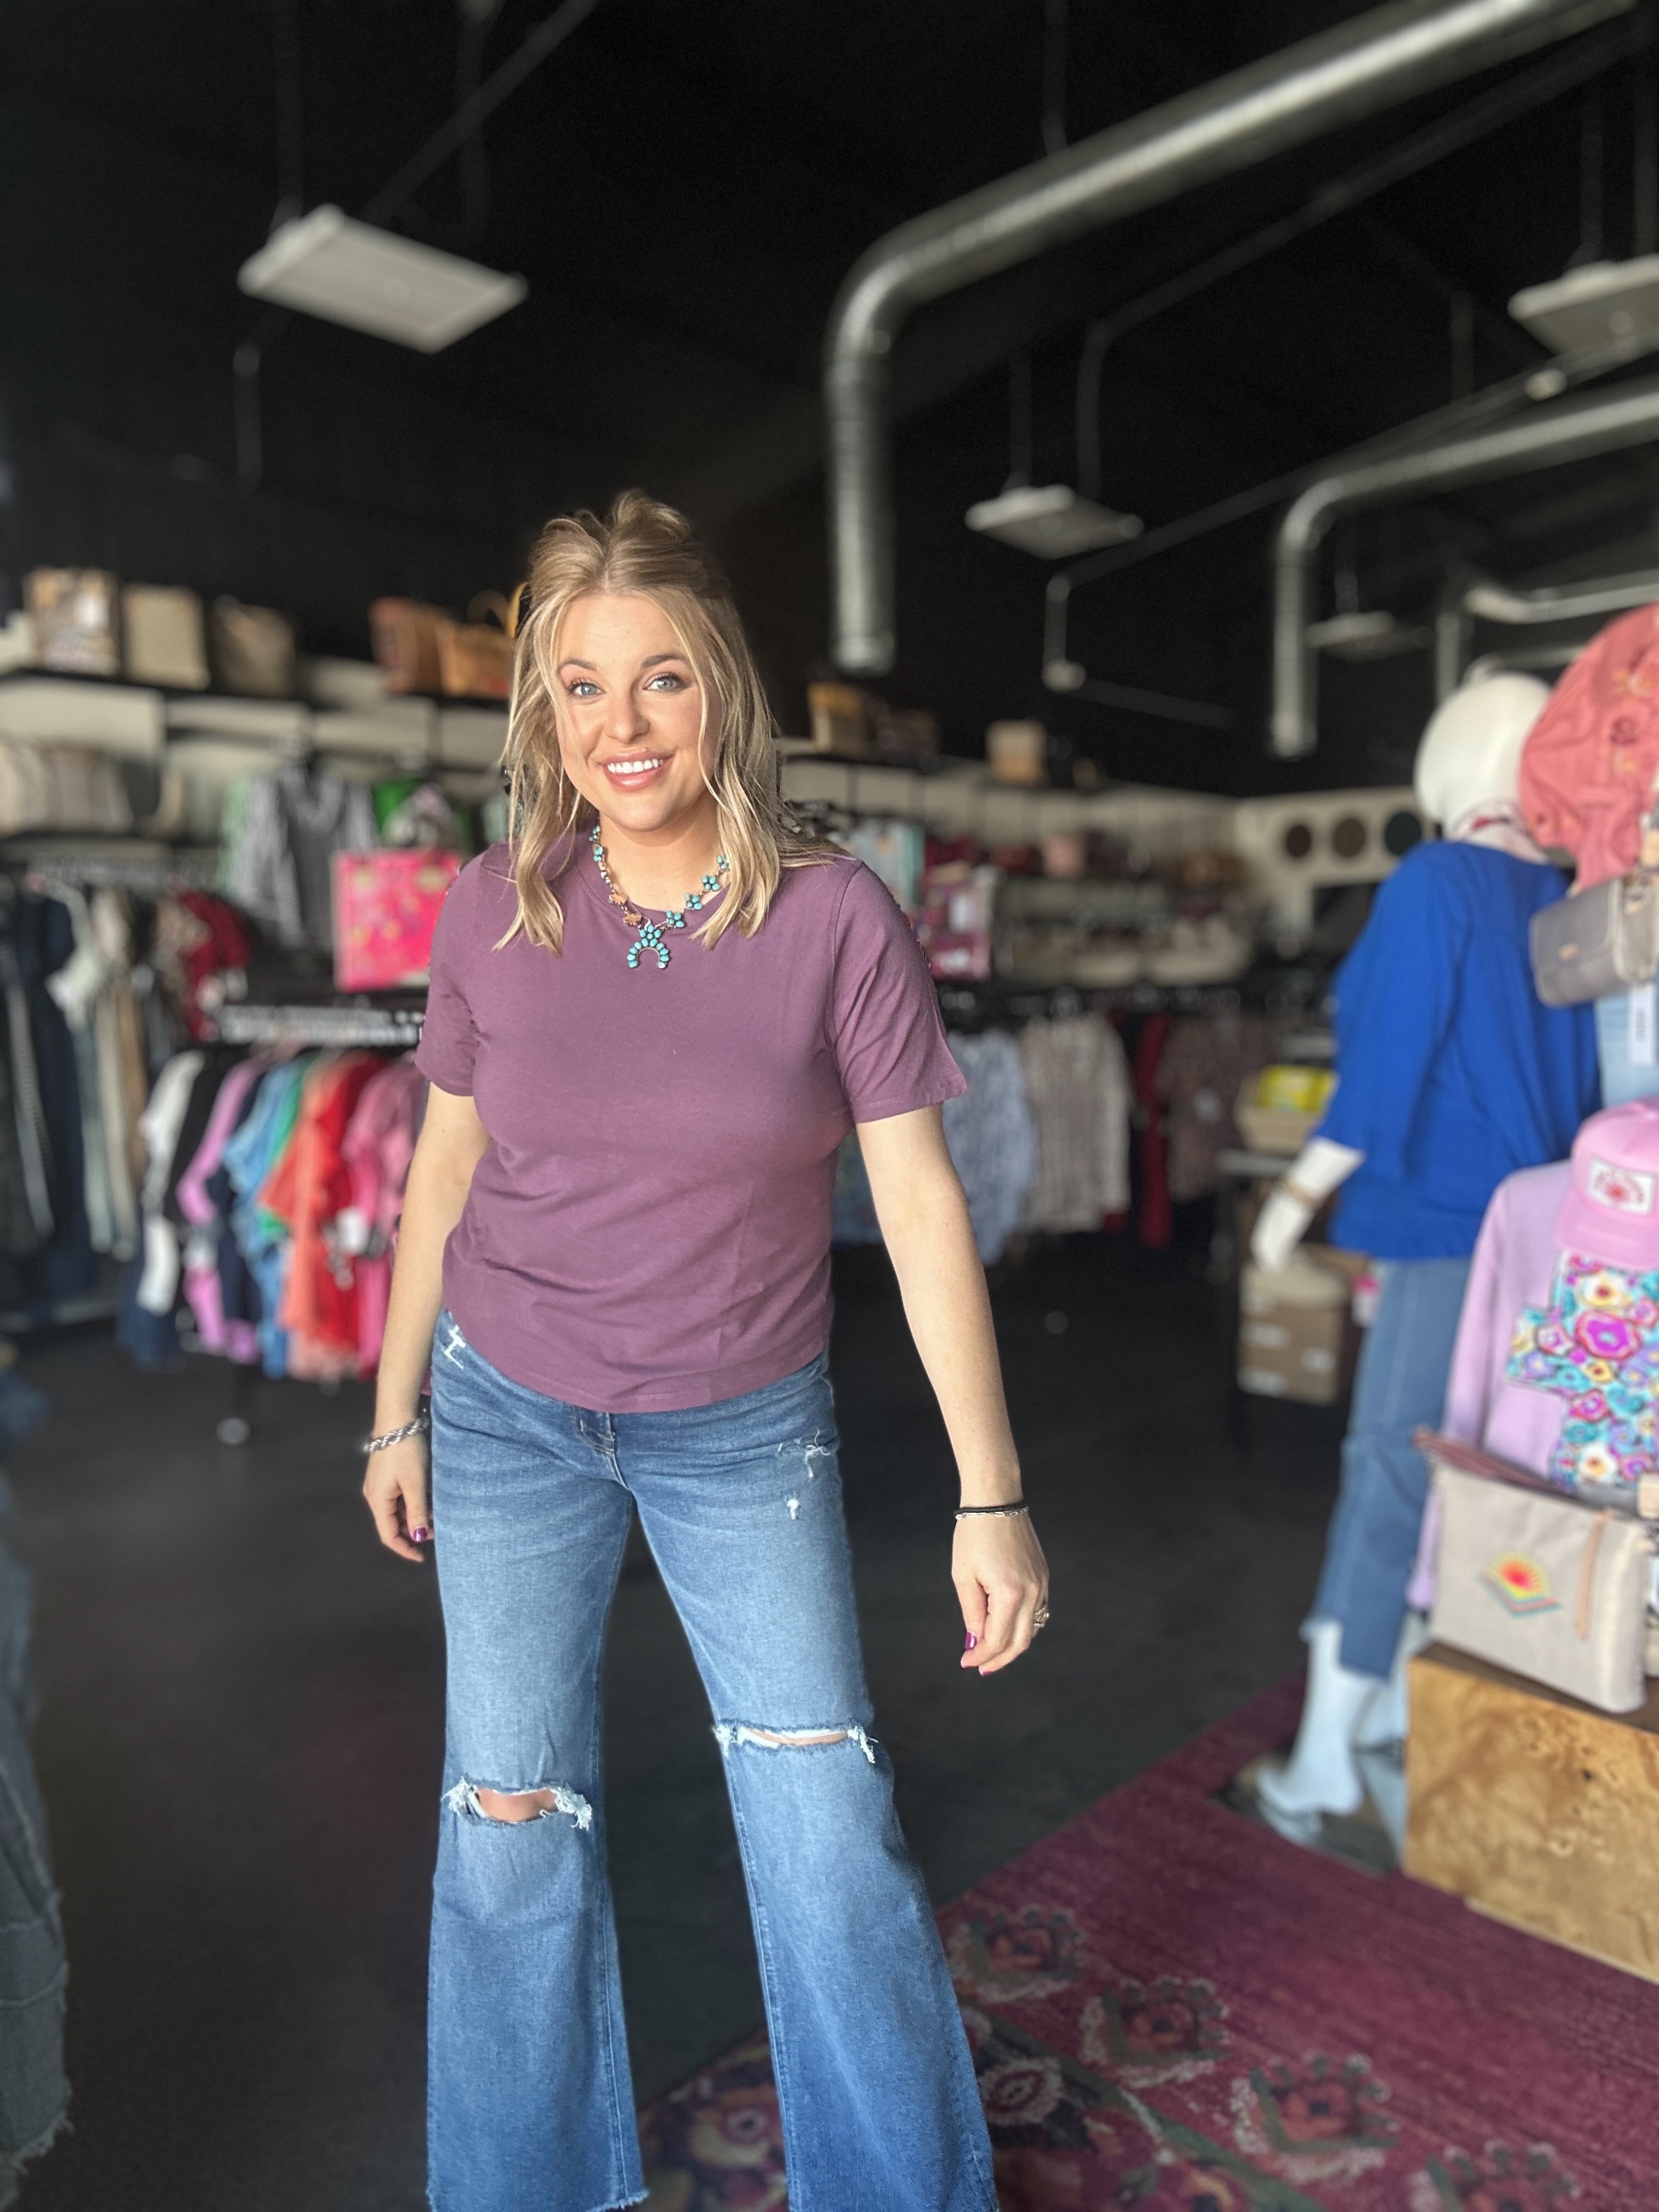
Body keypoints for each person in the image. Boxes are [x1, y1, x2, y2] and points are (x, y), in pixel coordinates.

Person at [362, 490, 1046, 2212]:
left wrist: (992, 1494)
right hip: (507, 1408)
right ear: (543, 713)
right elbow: (441, 1174)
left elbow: (921, 1206)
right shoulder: (490, 906)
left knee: (826, 1829)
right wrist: (392, 1412)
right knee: (505, 1823)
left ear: (723, 688)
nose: (624, 725)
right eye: (582, 687)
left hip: (744, 1427)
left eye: (660, 678)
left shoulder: (836, 917)